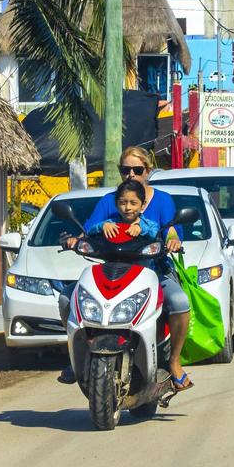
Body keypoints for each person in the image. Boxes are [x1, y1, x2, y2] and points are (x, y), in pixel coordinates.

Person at [80, 147, 194, 392]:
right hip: (113, 271)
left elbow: (170, 229)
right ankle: (76, 359)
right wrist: (80, 237)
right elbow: (88, 228)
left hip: (154, 271)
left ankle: (174, 361)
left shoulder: (162, 200)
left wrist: (172, 239)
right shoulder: (110, 201)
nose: (131, 174)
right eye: (125, 170)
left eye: (137, 170)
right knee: (69, 298)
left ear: (148, 171)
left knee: (179, 302)